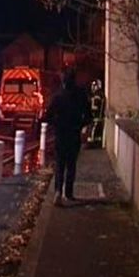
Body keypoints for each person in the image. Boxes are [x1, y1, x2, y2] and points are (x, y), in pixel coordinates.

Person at [45, 68, 92, 206]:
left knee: (60, 163)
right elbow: (89, 116)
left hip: (61, 134)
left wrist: (56, 124)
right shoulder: (81, 95)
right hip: (74, 133)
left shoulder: (58, 96)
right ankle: (69, 193)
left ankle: (58, 191)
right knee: (71, 164)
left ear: (63, 81)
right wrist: (79, 124)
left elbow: (47, 116)